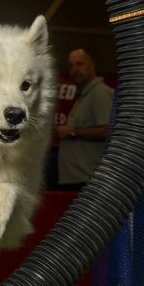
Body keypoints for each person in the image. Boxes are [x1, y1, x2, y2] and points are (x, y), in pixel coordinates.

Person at [56, 48, 114, 190]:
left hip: (88, 180)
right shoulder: (85, 94)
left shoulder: (100, 92)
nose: (75, 69)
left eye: (80, 64)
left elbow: (107, 131)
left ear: (91, 65)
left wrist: (72, 131)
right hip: (75, 179)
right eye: (71, 66)